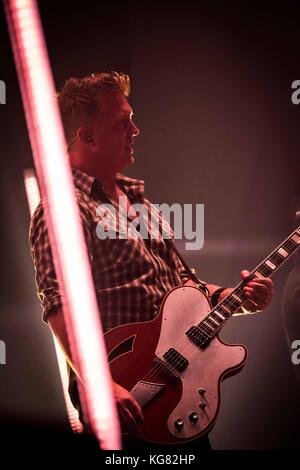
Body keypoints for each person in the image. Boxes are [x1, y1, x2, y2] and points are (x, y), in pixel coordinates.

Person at [29, 72, 274, 450]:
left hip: (177, 385)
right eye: (122, 123)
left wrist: (238, 294)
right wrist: (99, 383)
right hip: (126, 396)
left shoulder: (136, 199)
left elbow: (181, 287)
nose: (135, 130)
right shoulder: (64, 209)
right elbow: (60, 304)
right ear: (87, 137)